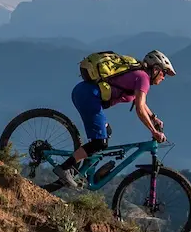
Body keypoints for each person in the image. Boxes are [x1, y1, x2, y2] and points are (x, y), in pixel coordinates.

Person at [56, 50, 176, 187]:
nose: (164, 77)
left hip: (85, 93)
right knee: (100, 142)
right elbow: (140, 109)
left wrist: (153, 118)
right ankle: (65, 168)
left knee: (107, 132)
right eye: (164, 73)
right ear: (155, 69)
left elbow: (141, 103)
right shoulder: (143, 79)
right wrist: (153, 131)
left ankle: (81, 170)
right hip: (88, 97)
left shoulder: (140, 75)